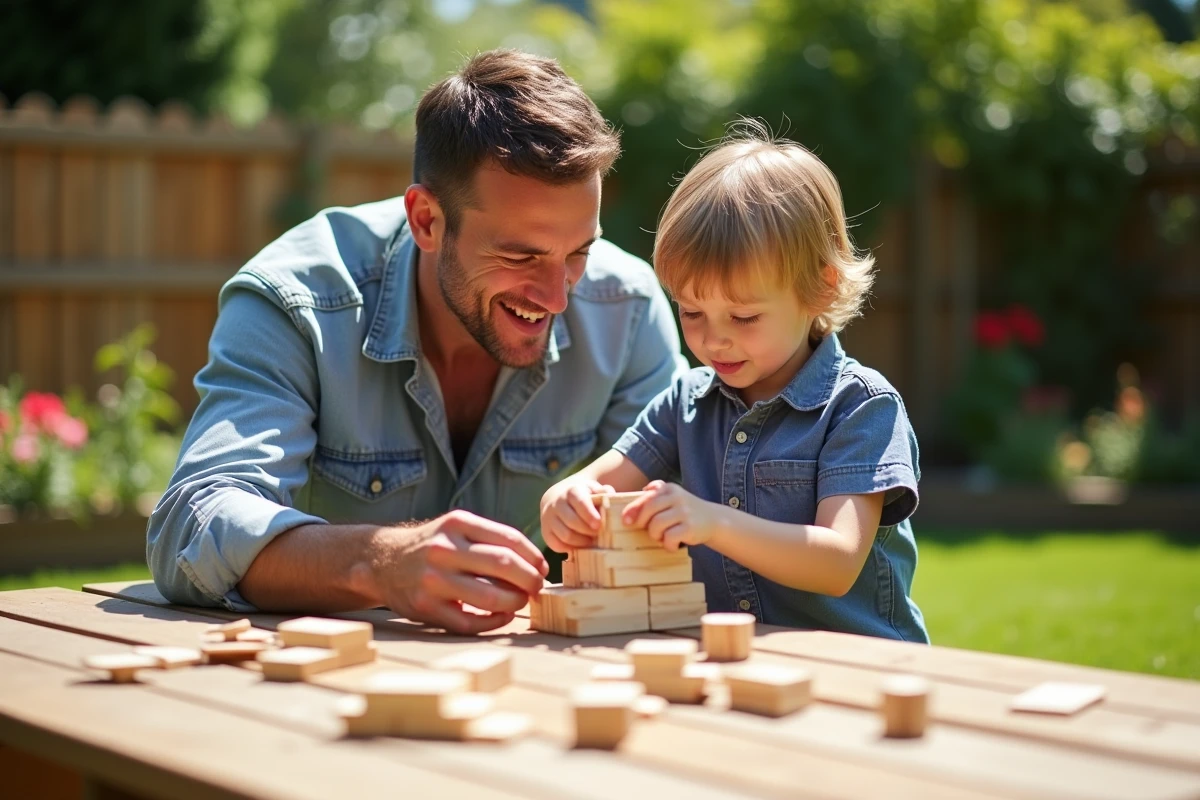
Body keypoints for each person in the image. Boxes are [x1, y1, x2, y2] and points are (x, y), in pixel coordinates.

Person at [146, 49, 685, 634]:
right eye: (520, 255)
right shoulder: (297, 301)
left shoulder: (626, 308)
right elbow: (193, 526)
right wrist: (378, 561)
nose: (558, 297)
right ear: (427, 220)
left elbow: (691, 499)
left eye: (579, 252)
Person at [540, 122, 928, 642]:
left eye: (743, 318)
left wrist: (712, 522)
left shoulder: (860, 407)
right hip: (732, 661)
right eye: (692, 312)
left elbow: (836, 563)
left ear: (819, 287)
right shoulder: (686, 403)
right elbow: (591, 484)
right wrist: (562, 503)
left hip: (862, 669)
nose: (714, 341)